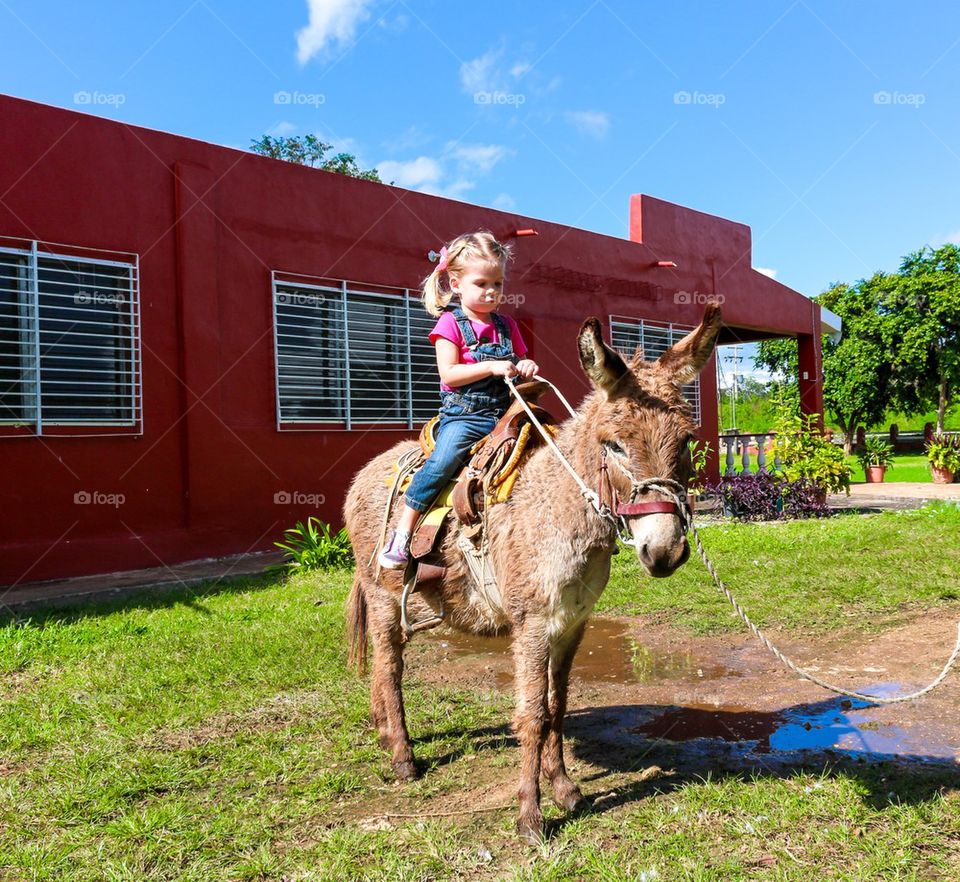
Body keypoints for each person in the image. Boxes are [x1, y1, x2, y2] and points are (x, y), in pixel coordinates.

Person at [378, 231, 539, 569]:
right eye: (482, 283)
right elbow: (449, 374)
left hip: (507, 413)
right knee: (442, 462)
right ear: (455, 284)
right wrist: (490, 366)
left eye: (498, 283)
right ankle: (403, 532)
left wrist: (525, 365)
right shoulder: (450, 324)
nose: (492, 291)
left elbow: (520, 362)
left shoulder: (508, 325)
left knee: (550, 446)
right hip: (466, 416)